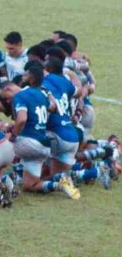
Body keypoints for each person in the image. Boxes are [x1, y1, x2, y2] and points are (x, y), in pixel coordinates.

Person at [10, 61, 80, 198]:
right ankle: (87, 173)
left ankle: (14, 172)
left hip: (54, 137)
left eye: (26, 74)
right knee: (38, 181)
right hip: (73, 137)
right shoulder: (50, 89)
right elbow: (78, 93)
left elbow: (23, 119)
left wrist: (12, 134)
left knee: (14, 141)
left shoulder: (25, 94)